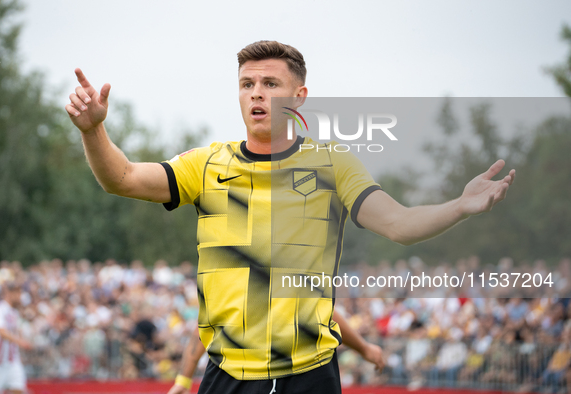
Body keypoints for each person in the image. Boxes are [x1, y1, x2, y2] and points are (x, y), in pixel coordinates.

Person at [65, 40, 515, 393]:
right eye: (247, 84)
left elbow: (398, 225)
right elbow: (121, 178)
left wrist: (459, 205)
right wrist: (94, 130)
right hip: (226, 374)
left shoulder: (333, 163)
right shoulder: (204, 165)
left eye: (270, 83)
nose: (257, 92)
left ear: (298, 97)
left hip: (309, 376)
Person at [167, 309, 385, 393]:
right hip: (239, 374)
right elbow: (207, 323)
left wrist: (364, 348)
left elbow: (321, 311)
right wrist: (183, 380)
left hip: (304, 372)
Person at [0, 282, 33, 394]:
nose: (20, 296)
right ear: (9, 293)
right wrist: (20, 342)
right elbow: (1, 331)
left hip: (12, 360)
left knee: (19, 389)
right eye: (18, 293)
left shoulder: (14, 312)